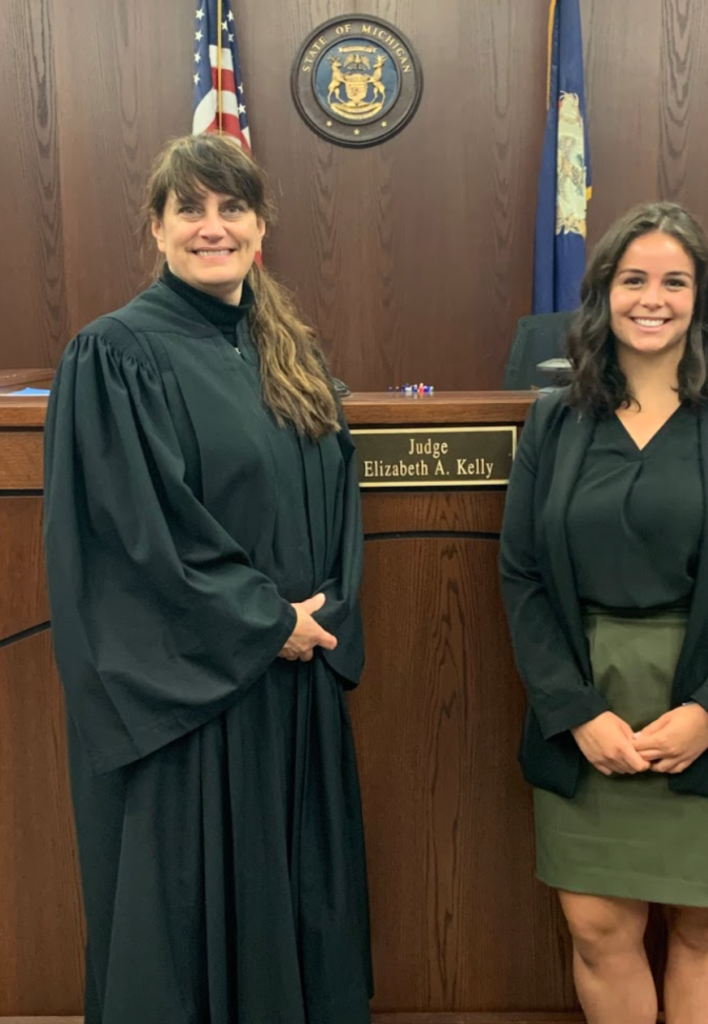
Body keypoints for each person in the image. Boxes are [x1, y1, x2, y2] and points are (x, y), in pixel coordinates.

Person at [43, 133, 372, 1024]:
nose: (212, 227)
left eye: (232, 209)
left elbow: (337, 506)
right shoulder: (113, 356)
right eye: (189, 209)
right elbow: (136, 536)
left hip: (292, 686)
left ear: (261, 227)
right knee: (186, 930)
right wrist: (268, 622)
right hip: (191, 700)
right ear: (155, 228)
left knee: (293, 913)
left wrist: (321, 619)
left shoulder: (287, 355)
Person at [499, 201, 708, 1024]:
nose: (653, 298)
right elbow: (523, 577)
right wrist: (574, 712)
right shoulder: (554, 419)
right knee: (596, 923)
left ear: (703, 296)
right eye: (632, 278)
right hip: (588, 698)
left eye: (674, 281)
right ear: (602, 293)